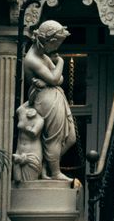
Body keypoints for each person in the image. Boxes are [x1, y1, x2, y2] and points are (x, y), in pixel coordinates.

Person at [23, 20, 77, 180]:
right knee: (55, 137)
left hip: (54, 95)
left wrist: (49, 80)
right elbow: (55, 78)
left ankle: (46, 164)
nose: (57, 48)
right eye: (57, 43)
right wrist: (60, 62)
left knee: (71, 138)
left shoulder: (43, 56)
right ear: (48, 41)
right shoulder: (32, 59)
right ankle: (55, 172)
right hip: (45, 99)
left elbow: (59, 79)